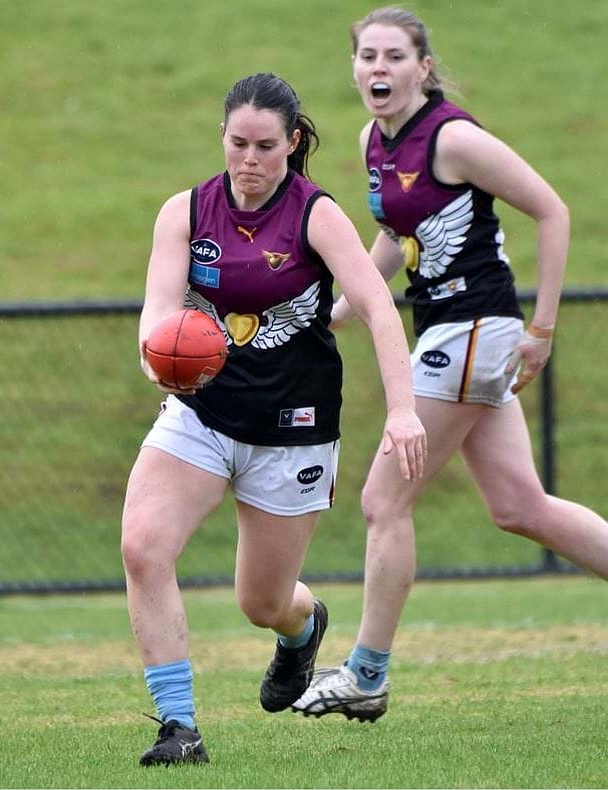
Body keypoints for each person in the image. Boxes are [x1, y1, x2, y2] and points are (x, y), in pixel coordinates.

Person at [292, 7, 608, 723]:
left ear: (423, 67)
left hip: (474, 329)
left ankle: (367, 674)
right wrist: (341, 309)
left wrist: (544, 328)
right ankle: (367, 673)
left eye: (395, 56)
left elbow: (552, 211)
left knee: (383, 499)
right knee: (521, 509)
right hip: (449, 333)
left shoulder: (454, 138)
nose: (379, 68)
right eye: (367, 55)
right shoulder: (374, 139)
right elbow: (395, 235)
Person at [121, 72, 427, 766]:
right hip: (202, 413)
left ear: (292, 143)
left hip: (294, 428)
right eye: (238, 143)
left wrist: (404, 410)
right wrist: (158, 357)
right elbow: (159, 309)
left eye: (265, 146)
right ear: (222, 138)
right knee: (143, 545)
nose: (250, 160)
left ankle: (302, 627)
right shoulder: (187, 211)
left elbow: (378, 308)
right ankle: (179, 729)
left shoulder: (315, 214)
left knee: (261, 603)